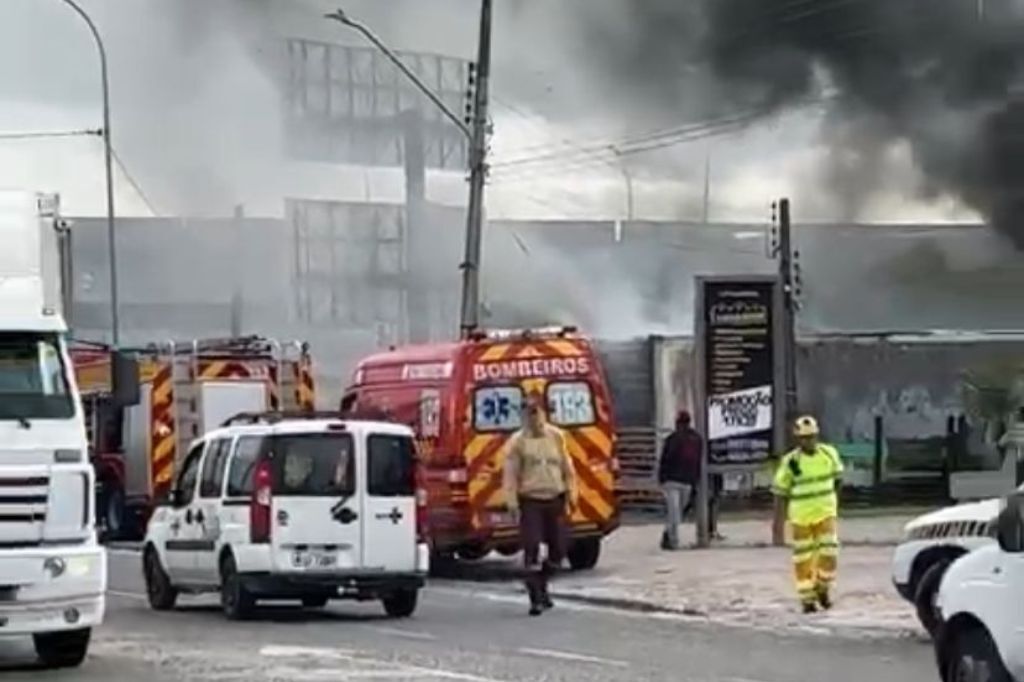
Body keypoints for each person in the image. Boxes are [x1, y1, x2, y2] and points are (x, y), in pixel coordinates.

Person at [503, 391, 578, 616]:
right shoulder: (517, 442)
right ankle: (535, 597)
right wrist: (512, 503)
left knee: (558, 551)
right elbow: (510, 475)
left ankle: (541, 583)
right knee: (532, 548)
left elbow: (568, 468)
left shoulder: (556, 437)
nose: (533, 417)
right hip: (531, 501)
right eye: (528, 412)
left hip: (554, 498)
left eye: (536, 412)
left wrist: (572, 495)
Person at [771, 415, 844, 614]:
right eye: (804, 438)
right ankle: (807, 599)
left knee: (830, 553)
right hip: (801, 518)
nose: (808, 441)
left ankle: (822, 587)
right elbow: (780, 492)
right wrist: (777, 525)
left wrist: (833, 501)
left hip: (825, 513)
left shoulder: (829, 454)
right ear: (797, 439)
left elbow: (838, 480)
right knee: (803, 560)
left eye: (811, 437)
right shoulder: (791, 462)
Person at [657, 410, 702, 550]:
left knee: (677, 512)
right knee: (676, 512)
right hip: (678, 481)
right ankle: (673, 541)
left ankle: (668, 534)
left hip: (677, 480)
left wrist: (661, 477)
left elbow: (664, 460)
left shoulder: (677, 439)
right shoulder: (694, 439)